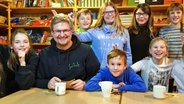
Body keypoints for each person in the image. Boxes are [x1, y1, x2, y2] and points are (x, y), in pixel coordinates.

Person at [36, 13, 100, 91]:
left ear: (71, 31)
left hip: (80, 97)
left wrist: (85, 83)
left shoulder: (86, 50)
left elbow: (98, 76)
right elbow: (37, 80)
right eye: (58, 31)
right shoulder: (44, 54)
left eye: (65, 30)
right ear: (52, 33)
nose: (62, 35)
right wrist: (47, 83)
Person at [73, 1, 132, 69]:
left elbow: (128, 54)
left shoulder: (124, 32)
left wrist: (128, 70)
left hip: (118, 72)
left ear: (115, 13)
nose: (109, 14)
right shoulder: (94, 31)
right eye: (106, 12)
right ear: (102, 14)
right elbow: (77, 37)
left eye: (112, 11)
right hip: (98, 73)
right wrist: (70, 23)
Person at [0, 29, 38, 98]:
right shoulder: (6, 53)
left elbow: (25, 85)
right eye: (17, 42)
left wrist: (22, 62)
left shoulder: (33, 57)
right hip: (8, 96)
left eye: (25, 42)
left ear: (29, 45)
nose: (22, 45)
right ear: (11, 45)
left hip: (26, 95)